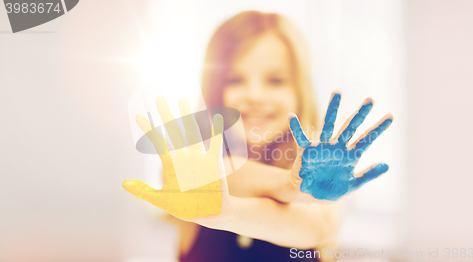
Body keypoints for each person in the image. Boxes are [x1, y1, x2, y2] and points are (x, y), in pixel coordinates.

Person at [123, 11, 393, 262]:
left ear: (300, 90)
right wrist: (291, 184)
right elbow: (232, 175)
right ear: (215, 90)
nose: (254, 95)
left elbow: (318, 227)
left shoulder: (328, 177)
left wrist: (229, 212)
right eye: (235, 80)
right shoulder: (188, 170)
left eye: (275, 80)